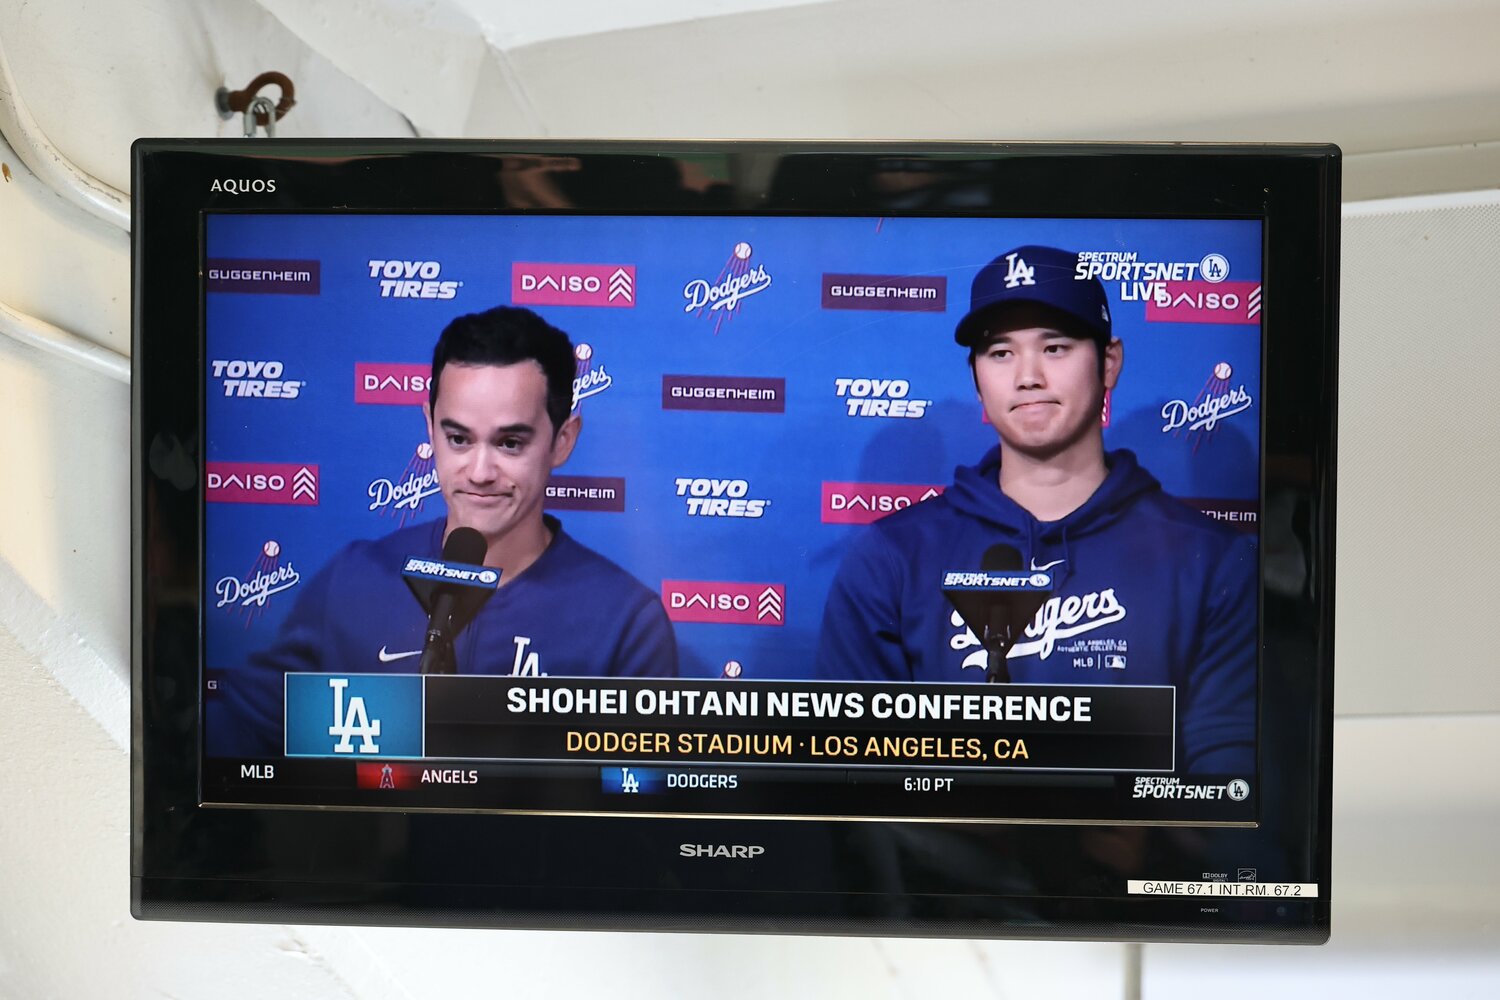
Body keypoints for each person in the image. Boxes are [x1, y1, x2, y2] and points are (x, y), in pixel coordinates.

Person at [817, 245, 1255, 774]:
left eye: (1055, 347)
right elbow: (856, 775)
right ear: (976, 377)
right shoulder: (892, 557)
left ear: (1109, 362)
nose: (1028, 377)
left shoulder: (1210, 560)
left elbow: (1227, 779)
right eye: (1000, 353)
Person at [211, 306, 677, 756]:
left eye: (510, 443)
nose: (479, 472)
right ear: (429, 426)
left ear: (563, 440)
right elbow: (235, 751)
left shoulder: (625, 622)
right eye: (458, 439)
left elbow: (638, 794)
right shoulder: (356, 579)